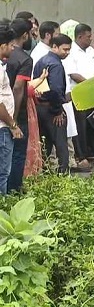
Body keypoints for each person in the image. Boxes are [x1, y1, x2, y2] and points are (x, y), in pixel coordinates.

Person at [64, 23, 94, 165]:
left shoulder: (90, 50)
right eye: (88, 37)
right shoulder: (71, 52)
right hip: (80, 93)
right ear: (79, 36)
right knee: (81, 126)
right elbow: (73, 74)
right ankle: (82, 156)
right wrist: (91, 85)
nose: (90, 39)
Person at [6, 18, 38, 193]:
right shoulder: (25, 59)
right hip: (15, 112)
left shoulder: (6, 54)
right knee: (18, 153)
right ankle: (13, 190)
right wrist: (15, 119)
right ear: (25, 35)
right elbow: (19, 87)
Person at [34, 34, 72, 174]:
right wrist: (57, 111)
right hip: (51, 108)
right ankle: (63, 173)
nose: (67, 53)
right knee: (61, 144)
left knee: (44, 144)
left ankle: (42, 172)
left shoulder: (41, 61)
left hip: (40, 108)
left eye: (69, 50)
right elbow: (55, 90)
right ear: (54, 47)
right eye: (65, 49)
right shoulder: (55, 64)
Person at [0, 23, 25, 194]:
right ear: (2, 46)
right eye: (10, 45)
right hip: (2, 128)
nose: (13, 47)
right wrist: (13, 124)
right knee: (3, 173)